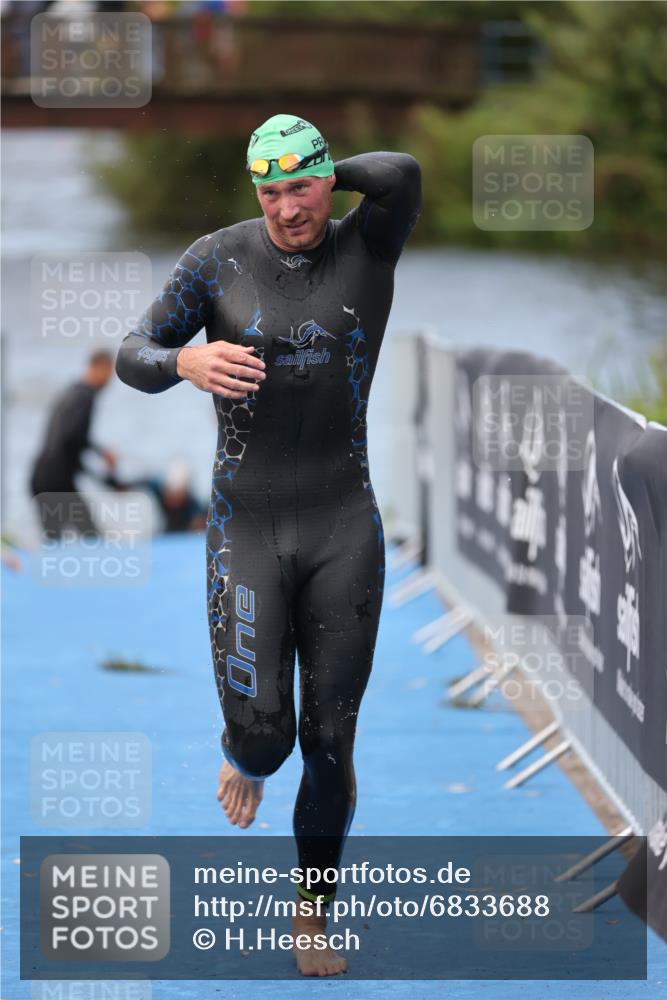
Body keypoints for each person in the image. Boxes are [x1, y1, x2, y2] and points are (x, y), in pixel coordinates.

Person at [115, 113, 421, 976]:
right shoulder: (217, 258)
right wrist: (185, 365)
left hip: (342, 530)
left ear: (329, 179)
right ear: (254, 191)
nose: (287, 207)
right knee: (264, 742)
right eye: (271, 189)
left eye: (302, 185)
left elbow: (400, 170)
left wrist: (326, 168)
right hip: (244, 528)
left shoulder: (371, 245)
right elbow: (133, 349)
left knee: (330, 742)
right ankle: (240, 755)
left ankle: (312, 916)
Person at [30, 349, 116, 539]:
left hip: (43, 477)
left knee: (56, 540)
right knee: (91, 535)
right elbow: (71, 438)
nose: (109, 380)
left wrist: (102, 477)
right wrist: (102, 454)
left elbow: (68, 441)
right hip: (55, 480)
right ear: (97, 368)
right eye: (109, 372)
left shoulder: (72, 392)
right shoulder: (85, 397)